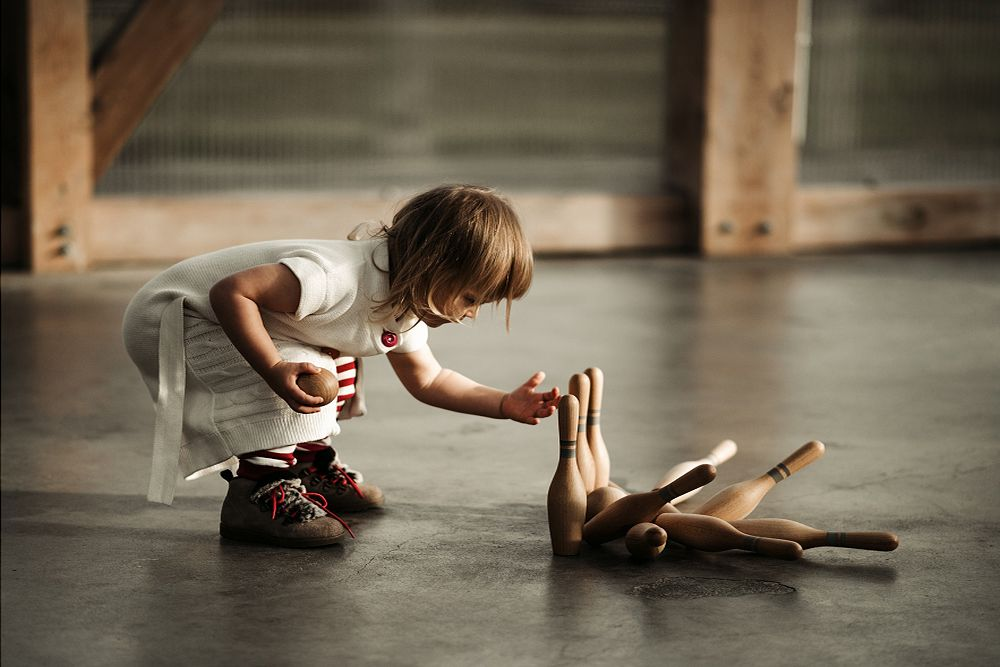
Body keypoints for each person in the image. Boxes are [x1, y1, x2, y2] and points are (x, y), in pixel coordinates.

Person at [122, 184, 560, 547]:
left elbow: (430, 380)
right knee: (304, 372)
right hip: (176, 319)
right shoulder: (335, 277)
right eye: (470, 297)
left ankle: (307, 466)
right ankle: (257, 492)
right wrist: (273, 368)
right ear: (432, 265)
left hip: (224, 316)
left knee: (336, 358)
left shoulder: (403, 303)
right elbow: (231, 292)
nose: (471, 314)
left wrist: (503, 403)